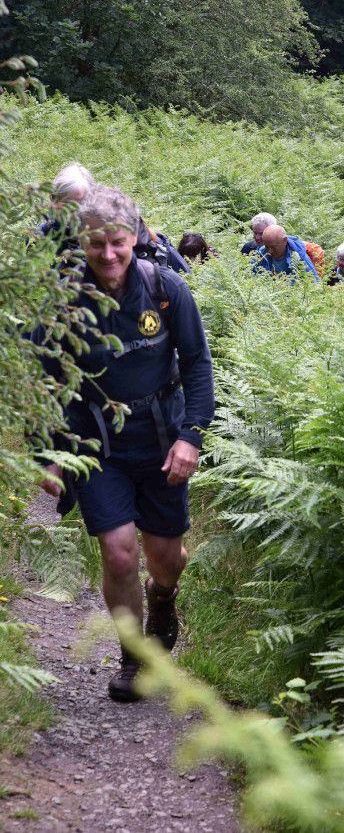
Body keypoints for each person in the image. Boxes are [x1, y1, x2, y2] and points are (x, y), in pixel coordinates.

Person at [37, 185, 215, 703]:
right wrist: (46, 449)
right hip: (96, 446)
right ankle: (134, 658)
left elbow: (198, 364)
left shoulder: (166, 289)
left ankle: (163, 597)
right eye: (96, 245)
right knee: (117, 555)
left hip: (161, 439)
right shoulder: (65, 300)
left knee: (165, 558)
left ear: (135, 237)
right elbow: (45, 379)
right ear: (82, 244)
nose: (108, 255)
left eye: (117, 242)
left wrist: (191, 437)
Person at [37, 162, 95, 250]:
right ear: (54, 200)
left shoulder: (98, 234)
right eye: (69, 204)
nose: (76, 210)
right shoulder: (40, 237)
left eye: (82, 203)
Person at [253, 224, 320, 282]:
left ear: (285, 240)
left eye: (273, 247)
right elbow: (251, 275)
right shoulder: (262, 253)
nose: (270, 251)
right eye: (267, 247)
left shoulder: (298, 255)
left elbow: (314, 282)